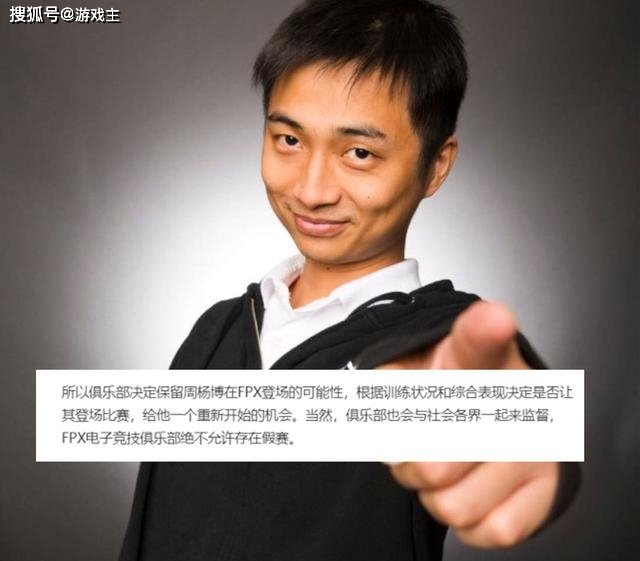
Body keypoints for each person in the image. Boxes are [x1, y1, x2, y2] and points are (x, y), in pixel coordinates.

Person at [119, 1, 579, 559]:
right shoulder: (215, 330)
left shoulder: (438, 345)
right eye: (289, 140)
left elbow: (518, 419)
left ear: (435, 165)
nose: (312, 190)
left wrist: (529, 444)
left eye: (359, 153)